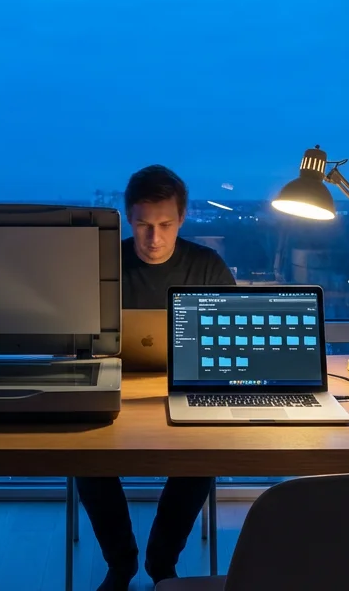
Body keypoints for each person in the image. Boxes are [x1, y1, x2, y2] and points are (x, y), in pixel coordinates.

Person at [77, 164, 236, 591]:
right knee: (86, 454)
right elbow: (75, 338)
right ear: (129, 218)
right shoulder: (103, 265)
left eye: (165, 224)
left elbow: (228, 345)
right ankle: (121, 561)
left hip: (189, 387)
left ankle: (161, 562)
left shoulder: (207, 267)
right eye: (143, 224)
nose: (153, 238)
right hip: (114, 384)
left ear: (182, 218)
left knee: (201, 456)